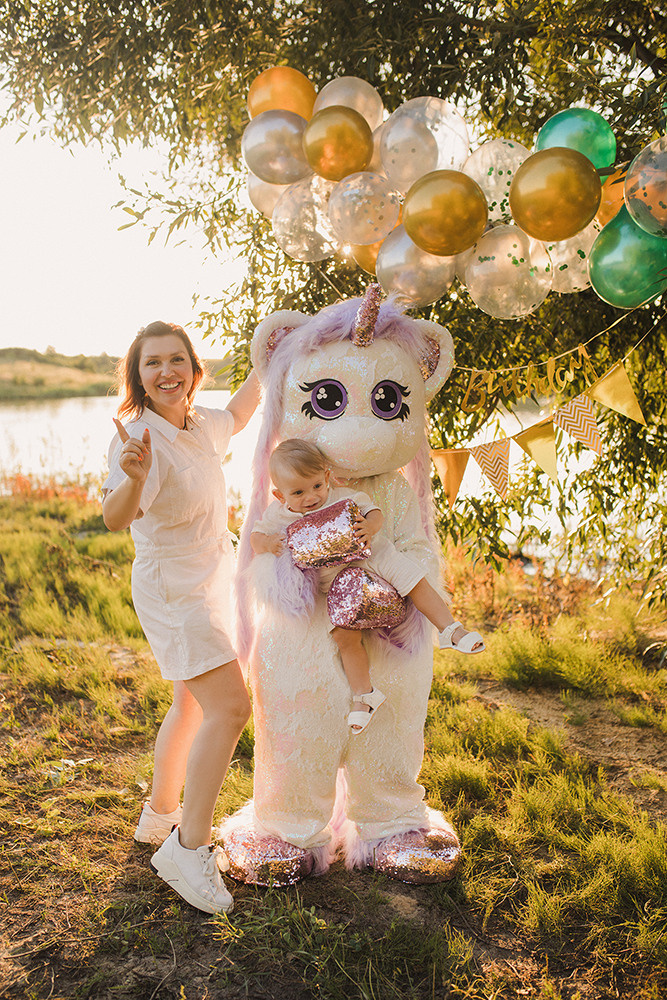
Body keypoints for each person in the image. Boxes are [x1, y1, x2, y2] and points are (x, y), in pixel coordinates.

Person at [102, 320, 261, 914]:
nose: (166, 371)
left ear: (195, 371)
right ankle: (188, 849)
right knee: (231, 707)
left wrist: (272, 354)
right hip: (173, 590)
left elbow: (240, 413)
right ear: (139, 377)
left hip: (213, 577)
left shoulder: (198, 424)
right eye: (152, 363)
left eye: (176, 360)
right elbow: (116, 517)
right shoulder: (140, 438)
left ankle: (160, 815)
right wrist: (134, 478)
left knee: (191, 704)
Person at [250, 440, 484, 734]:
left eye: (316, 486)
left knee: (414, 581)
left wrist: (370, 526)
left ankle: (450, 629)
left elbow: (374, 512)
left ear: (327, 477)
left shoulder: (343, 496)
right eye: (298, 493)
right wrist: (268, 543)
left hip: (376, 555)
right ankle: (365, 696)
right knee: (344, 637)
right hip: (336, 584)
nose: (311, 497)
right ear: (279, 495)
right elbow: (255, 539)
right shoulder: (279, 513)